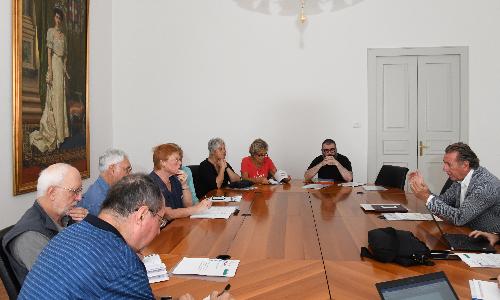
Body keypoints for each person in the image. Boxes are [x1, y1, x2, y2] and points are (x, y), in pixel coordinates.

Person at [19, 174, 233, 300]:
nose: (159, 230)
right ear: (141, 215)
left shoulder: (71, 233)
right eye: (159, 220)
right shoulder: (122, 261)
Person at [2, 163, 87, 285]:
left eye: (80, 190)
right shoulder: (30, 237)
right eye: (74, 191)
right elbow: (61, 283)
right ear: (52, 193)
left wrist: (86, 227)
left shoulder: (65, 217)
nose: (79, 198)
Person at [409, 142, 500, 232]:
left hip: (487, 240)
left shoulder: (486, 186)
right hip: (466, 231)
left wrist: (426, 197)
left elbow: (459, 218)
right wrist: (425, 191)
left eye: (449, 164)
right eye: (444, 163)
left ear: (465, 165)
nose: (444, 168)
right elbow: (443, 201)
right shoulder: (460, 178)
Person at [29, 5, 70, 153]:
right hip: (53, 63)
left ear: (62, 21)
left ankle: (61, 134)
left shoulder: (64, 36)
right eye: (56, 17)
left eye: (60, 18)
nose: (58, 20)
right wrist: (50, 71)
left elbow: (65, 55)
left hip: (60, 66)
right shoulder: (50, 32)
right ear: (54, 18)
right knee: (54, 97)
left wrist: (64, 68)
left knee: (61, 98)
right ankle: (54, 133)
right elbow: (48, 52)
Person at [149, 143, 211, 219]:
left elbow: (188, 205)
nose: (180, 163)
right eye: (176, 160)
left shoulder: (174, 178)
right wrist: (196, 209)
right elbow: (167, 214)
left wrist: (184, 185)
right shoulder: (150, 184)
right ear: (163, 162)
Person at [79, 149, 132, 216]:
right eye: (126, 169)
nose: (130, 174)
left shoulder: (113, 188)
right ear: (112, 169)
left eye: (129, 170)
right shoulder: (98, 201)